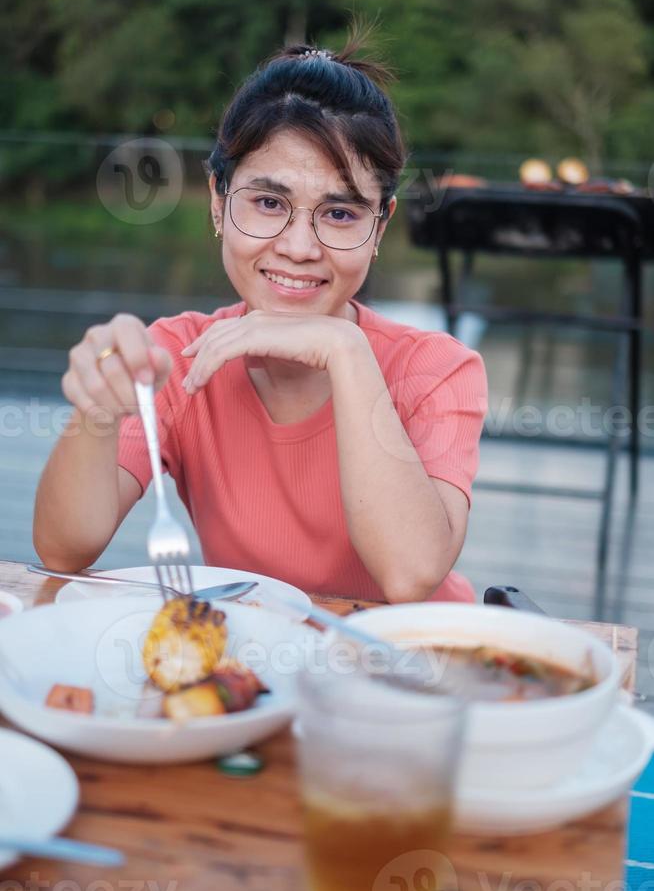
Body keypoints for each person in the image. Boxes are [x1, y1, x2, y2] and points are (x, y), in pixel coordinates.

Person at [33, 35, 487, 604]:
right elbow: (64, 551)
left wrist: (346, 352)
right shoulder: (177, 356)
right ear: (219, 204)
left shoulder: (437, 369)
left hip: (419, 670)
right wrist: (97, 409)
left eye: (341, 213)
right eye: (269, 203)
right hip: (261, 673)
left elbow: (411, 574)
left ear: (381, 227)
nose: (299, 247)